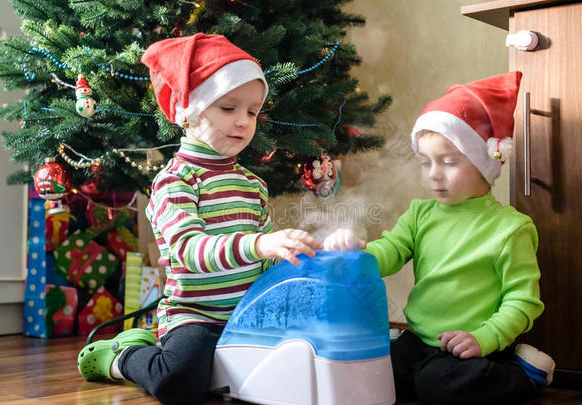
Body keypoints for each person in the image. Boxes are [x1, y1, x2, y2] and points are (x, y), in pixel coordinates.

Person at [77, 33, 322, 405]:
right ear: (188, 110)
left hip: (248, 313)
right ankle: (123, 356)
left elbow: (269, 257)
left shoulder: (252, 185)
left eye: (253, 111)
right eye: (228, 108)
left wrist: (301, 255)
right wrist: (258, 244)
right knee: (177, 382)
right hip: (195, 314)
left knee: (306, 353)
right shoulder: (175, 181)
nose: (243, 121)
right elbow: (190, 250)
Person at [323, 72, 555, 405]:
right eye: (425, 162)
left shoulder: (510, 228)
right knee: (368, 372)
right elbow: (390, 251)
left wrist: (484, 338)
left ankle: (521, 374)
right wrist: (360, 251)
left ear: (484, 161)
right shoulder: (420, 213)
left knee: (438, 385)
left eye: (448, 162)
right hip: (417, 339)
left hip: (470, 346)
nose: (433, 174)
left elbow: (522, 301)